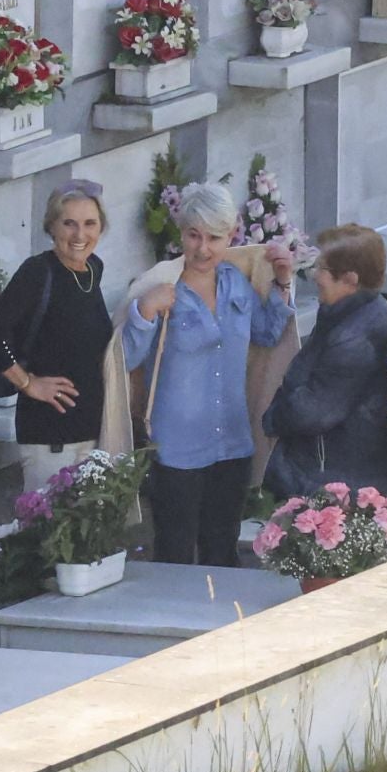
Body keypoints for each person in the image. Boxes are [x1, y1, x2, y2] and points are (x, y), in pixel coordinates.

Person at [124, 182, 294, 566]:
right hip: (176, 450)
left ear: (231, 235)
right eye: (193, 235)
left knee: (223, 549)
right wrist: (145, 313)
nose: (202, 248)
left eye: (214, 237)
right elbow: (125, 359)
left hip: (231, 442)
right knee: (175, 552)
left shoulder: (235, 281)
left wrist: (283, 282)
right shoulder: (161, 286)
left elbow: (266, 333)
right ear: (181, 233)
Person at [0, 180, 116, 494]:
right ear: (51, 227)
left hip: (90, 432)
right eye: (69, 223)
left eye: (89, 223)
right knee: (48, 536)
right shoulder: (38, 272)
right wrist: (27, 382)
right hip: (50, 437)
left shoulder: (92, 269)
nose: (80, 235)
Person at [265, 224, 387, 502]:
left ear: (350, 279)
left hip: (338, 477)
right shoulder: (354, 311)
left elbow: (312, 411)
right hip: (337, 466)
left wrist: (272, 416)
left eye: (323, 269)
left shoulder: (353, 337)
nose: (315, 276)